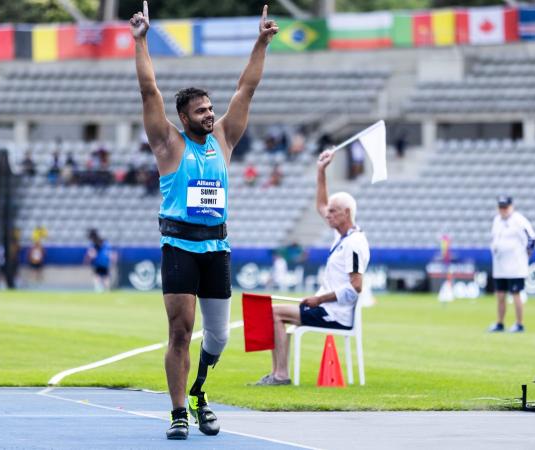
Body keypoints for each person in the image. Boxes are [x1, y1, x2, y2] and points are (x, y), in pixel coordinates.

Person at [130, 1, 277, 440]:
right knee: (180, 331)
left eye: (211, 109)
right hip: (179, 246)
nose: (210, 115)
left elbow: (245, 90)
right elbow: (149, 91)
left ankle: (199, 391)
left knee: (218, 339)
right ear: (182, 118)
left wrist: (261, 43)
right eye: (201, 112)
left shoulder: (225, 139)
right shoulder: (168, 145)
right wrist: (141, 41)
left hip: (218, 248)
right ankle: (178, 411)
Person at [254, 149, 370, 386]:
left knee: (272, 312)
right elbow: (321, 205)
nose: (327, 215)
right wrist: (321, 171)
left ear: (346, 213)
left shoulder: (354, 243)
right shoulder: (342, 237)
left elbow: (356, 287)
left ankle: (280, 375)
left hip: (334, 314)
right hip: (328, 307)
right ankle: (278, 373)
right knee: (269, 311)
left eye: (333, 211)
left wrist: (320, 300)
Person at [489, 196, 535, 333]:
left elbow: (531, 238)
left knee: (516, 294)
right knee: (500, 295)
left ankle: (519, 323)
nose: (503, 210)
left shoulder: (519, 220)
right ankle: (500, 322)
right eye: (500, 207)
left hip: (515, 266)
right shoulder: (496, 220)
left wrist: (527, 254)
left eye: (505, 207)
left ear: (511, 207)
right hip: (499, 265)